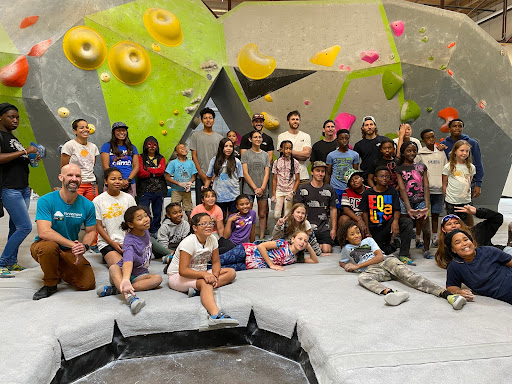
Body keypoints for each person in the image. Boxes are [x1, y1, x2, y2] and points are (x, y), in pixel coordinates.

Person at [338, 221, 466, 309]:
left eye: (358, 232)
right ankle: (392, 293)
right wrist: (346, 266)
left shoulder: (368, 240)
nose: (357, 235)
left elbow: (379, 256)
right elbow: (342, 261)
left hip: (386, 261)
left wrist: (357, 266)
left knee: (410, 276)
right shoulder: (346, 249)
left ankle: (447, 295)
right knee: (362, 278)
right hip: (374, 270)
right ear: (346, 238)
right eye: (352, 234)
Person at [30, 164, 96, 300]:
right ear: (61, 177)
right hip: (43, 245)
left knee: (87, 283)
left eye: (77, 176)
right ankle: (50, 284)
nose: (74, 179)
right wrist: (73, 244)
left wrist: (84, 246)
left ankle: (55, 267)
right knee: (49, 247)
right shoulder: (46, 200)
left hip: (68, 250)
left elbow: (91, 231)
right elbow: (44, 232)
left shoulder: (88, 205)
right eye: (70, 175)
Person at [167, 213, 239, 329]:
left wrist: (214, 276)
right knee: (205, 282)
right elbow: (183, 271)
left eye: (210, 223)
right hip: (178, 277)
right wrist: (204, 275)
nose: (209, 226)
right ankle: (215, 315)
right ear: (195, 228)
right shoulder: (188, 242)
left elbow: (216, 262)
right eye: (203, 224)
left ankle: (198, 291)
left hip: (199, 274)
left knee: (231, 272)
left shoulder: (212, 239)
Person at [96, 206, 162, 314]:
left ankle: (117, 289)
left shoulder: (145, 231)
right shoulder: (129, 240)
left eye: (146, 215)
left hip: (139, 275)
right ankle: (129, 297)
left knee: (158, 279)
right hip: (123, 273)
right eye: (140, 218)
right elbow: (127, 261)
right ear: (131, 224)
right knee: (113, 267)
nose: (145, 219)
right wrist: (125, 279)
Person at [0, 103, 40, 276]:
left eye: (17, 117)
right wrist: (24, 151)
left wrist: (30, 156)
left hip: (23, 188)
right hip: (10, 189)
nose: (15, 120)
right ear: (0, 117)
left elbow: (17, 160)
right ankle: (2, 262)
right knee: (24, 226)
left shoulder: (12, 137)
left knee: (15, 227)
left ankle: (11, 262)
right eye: (11, 117)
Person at [359, 166, 414, 265]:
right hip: (374, 227)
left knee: (407, 222)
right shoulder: (368, 193)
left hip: (388, 224)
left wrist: (396, 222)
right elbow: (365, 212)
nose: (385, 178)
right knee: (381, 252)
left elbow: (397, 209)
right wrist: (367, 230)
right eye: (381, 176)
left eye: (387, 176)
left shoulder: (392, 191)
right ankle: (394, 244)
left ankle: (404, 254)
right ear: (375, 178)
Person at [443, 229, 512, 305]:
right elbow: (451, 286)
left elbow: (510, 261)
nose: (464, 244)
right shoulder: (455, 266)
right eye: (458, 242)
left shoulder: (489, 251)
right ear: (453, 250)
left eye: (466, 240)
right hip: (505, 294)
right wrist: (459, 292)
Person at [395, 141, 433, 259]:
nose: (412, 153)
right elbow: (402, 188)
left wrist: (426, 206)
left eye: (414, 151)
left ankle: (426, 249)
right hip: (405, 201)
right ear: (403, 153)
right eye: (408, 151)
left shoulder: (422, 167)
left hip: (420, 200)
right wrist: (408, 208)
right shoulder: (399, 169)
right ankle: (405, 250)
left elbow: (426, 186)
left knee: (425, 226)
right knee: (407, 227)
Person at [434, 206, 505, 269]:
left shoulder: (476, 231)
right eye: (449, 224)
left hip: (500, 254)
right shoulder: (445, 247)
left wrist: (477, 212)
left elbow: (497, 218)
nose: (453, 226)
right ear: (443, 229)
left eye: (456, 223)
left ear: (461, 225)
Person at [93, 167, 136, 267]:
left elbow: (134, 221)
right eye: (113, 179)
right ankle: (108, 256)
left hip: (128, 241)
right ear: (106, 181)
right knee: (120, 266)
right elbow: (98, 227)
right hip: (107, 243)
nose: (117, 182)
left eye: (120, 179)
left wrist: (128, 242)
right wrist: (112, 243)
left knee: (135, 266)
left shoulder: (128, 198)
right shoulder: (98, 201)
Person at [219, 231, 318, 271]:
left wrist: (308, 246)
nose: (302, 242)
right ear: (293, 239)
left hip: (251, 264)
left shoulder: (295, 258)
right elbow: (261, 246)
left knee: (220, 269)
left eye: (305, 241)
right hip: (247, 251)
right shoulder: (283, 243)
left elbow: (315, 261)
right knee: (218, 261)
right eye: (300, 239)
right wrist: (271, 265)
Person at [296, 161, 338, 253]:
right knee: (301, 247)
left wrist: (333, 229)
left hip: (323, 228)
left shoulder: (329, 189)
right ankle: (314, 246)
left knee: (327, 250)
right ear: (312, 172)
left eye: (322, 171)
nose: (320, 174)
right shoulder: (303, 188)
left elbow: (333, 209)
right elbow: (297, 209)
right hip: (306, 228)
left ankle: (315, 246)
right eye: (317, 171)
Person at [416, 128, 448, 247]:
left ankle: (435, 238)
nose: (430, 140)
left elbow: (445, 170)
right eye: (427, 138)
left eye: (432, 137)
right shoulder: (420, 154)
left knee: (435, 214)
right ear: (423, 140)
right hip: (424, 191)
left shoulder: (441, 152)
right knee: (421, 216)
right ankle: (419, 238)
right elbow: (416, 171)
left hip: (438, 190)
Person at [190, 108, 223, 205]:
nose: (208, 120)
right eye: (205, 118)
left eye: (210, 118)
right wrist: (201, 173)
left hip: (216, 177)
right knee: (201, 203)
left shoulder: (219, 138)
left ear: (213, 120)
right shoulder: (195, 136)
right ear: (202, 120)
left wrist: (214, 175)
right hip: (201, 176)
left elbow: (220, 158)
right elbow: (194, 156)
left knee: (216, 203)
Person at [443, 119, 484, 199]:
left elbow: (478, 163)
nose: (457, 128)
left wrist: (478, 184)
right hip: (451, 180)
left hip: (467, 179)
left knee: (466, 206)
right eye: (454, 126)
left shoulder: (472, 143)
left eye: (460, 126)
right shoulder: (444, 144)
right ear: (449, 129)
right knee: (451, 207)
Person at [60, 118, 99, 201]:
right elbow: (64, 168)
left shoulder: (93, 147)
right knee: (75, 208)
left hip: (91, 183)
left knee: (90, 208)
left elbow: (91, 165)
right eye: (81, 128)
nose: (85, 130)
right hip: (75, 183)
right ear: (75, 131)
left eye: (87, 127)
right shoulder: (69, 145)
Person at [204, 138, 243, 218]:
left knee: (233, 217)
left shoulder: (237, 161)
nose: (228, 148)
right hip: (219, 195)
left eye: (231, 146)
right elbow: (209, 177)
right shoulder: (214, 160)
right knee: (220, 217)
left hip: (233, 195)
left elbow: (239, 178)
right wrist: (205, 189)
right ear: (221, 148)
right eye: (226, 146)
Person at [241, 130, 270, 239]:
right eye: (255, 137)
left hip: (263, 188)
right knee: (248, 214)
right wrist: (254, 188)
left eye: (259, 137)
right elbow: (245, 173)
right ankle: (249, 237)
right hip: (249, 188)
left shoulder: (265, 155)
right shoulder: (246, 154)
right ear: (250, 139)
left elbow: (267, 172)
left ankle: (261, 237)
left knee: (262, 214)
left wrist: (262, 187)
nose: (258, 139)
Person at [137, 136, 167, 236]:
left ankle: (156, 233)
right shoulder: (140, 157)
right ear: (145, 145)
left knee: (158, 213)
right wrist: (155, 171)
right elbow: (140, 172)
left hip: (158, 190)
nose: (152, 147)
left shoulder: (161, 158)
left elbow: (161, 171)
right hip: (144, 190)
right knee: (144, 212)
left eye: (154, 145)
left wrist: (148, 169)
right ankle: (146, 232)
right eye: (149, 144)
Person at [100, 122, 139, 197]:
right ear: (114, 132)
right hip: (112, 183)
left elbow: (136, 166)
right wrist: (118, 181)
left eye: (123, 130)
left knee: (129, 207)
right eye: (118, 130)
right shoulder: (106, 146)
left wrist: (128, 180)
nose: (121, 132)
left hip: (129, 183)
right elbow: (105, 167)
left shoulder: (132, 147)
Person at [442, 140, 475, 224]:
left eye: (467, 151)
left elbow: (468, 183)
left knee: (463, 223)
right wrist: (445, 200)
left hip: (465, 201)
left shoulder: (471, 167)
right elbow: (444, 185)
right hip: (451, 201)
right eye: (462, 150)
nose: (464, 153)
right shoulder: (448, 167)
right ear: (455, 151)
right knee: (452, 223)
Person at [326, 129, 360, 208]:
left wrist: (355, 186)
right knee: (336, 209)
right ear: (337, 140)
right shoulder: (331, 155)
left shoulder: (354, 155)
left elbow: (355, 173)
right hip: (335, 187)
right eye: (341, 138)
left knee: (348, 210)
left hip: (349, 188)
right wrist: (327, 188)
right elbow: (328, 173)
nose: (344, 141)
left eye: (346, 138)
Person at [277, 110, 312, 184]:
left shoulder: (306, 136)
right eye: (293, 119)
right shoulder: (282, 136)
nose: (295, 121)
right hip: (286, 178)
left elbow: (307, 155)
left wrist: (289, 152)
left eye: (297, 119)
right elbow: (283, 154)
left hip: (303, 177)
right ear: (288, 121)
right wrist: (301, 155)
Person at [165, 143, 197, 219]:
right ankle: (174, 226)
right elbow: (167, 177)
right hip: (176, 191)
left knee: (188, 210)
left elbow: (193, 176)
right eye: (180, 148)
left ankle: (191, 226)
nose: (183, 149)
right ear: (176, 152)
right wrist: (178, 183)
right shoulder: (173, 163)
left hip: (187, 191)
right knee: (174, 209)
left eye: (184, 147)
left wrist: (190, 183)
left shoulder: (191, 163)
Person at [353, 116, 386, 184]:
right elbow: (355, 164)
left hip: (383, 177)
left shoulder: (384, 141)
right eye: (366, 125)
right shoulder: (358, 145)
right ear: (363, 128)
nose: (369, 127)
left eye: (371, 124)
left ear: (375, 126)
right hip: (366, 177)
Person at [271, 140, 300, 219]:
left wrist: (292, 192)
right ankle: (278, 230)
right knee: (276, 215)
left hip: (289, 191)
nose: (288, 150)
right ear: (281, 149)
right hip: (279, 191)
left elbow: (297, 180)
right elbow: (274, 179)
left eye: (290, 148)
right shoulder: (276, 162)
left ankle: (286, 230)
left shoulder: (295, 163)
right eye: (286, 148)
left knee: (287, 215)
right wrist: (273, 194)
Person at [339, 168, 369, 235]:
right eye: (351, 181)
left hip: (367, 216)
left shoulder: (370, 191)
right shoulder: (346, 191)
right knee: (343, 218)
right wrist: (358, 219)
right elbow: (345, 209)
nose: (354, 181)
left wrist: (362, 218)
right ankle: (344, 241)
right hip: (353, 217)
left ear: (362, 179)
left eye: (356, 178)